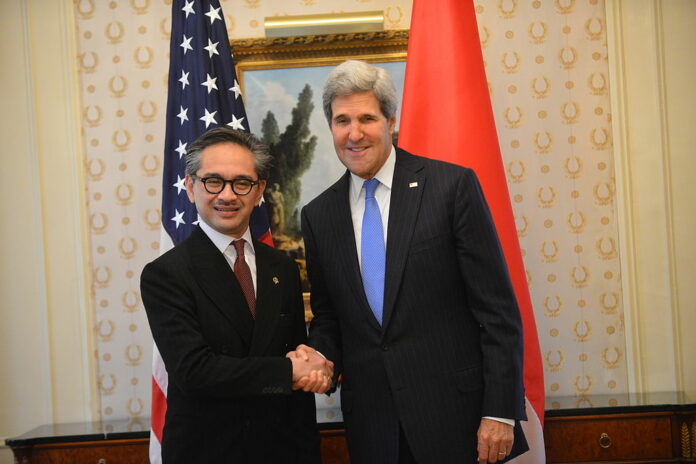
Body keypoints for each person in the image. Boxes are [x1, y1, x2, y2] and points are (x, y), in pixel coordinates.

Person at [300, 60, 529, 464]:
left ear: (390, 120)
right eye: (342, 120)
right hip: (373, 429)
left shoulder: (450, 187)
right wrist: (320, 356)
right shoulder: (318, 215)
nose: (354, 134)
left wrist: (499, 412)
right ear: (329, 125)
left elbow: (497, 312)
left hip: (459, 421)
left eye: (367, 118)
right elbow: (329, 317)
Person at [141, 127, 332, 463]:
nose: (227, 195)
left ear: (258, 190)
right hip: (209, 453)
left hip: (283, 452)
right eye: (213, 181)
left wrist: (316, 370)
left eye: (241, 183)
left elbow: (295, 368)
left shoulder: (282, 269)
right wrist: (289, 373)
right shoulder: (165, 274)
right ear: (190, 186)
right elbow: (194, 371)